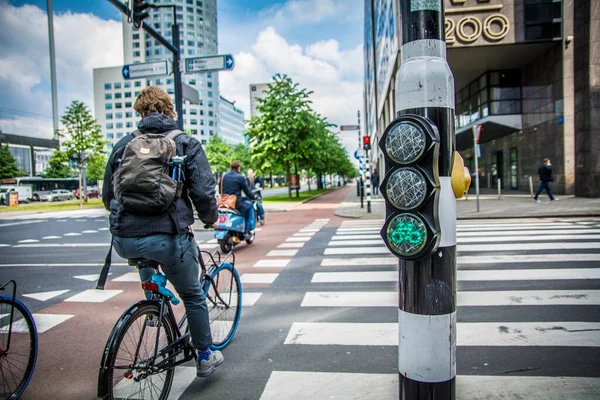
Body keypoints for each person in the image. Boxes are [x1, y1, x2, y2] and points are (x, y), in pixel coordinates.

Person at [102, 86, 223, 378]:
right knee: (193, 295)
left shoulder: (122, 145)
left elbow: (108, 196)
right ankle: (204, 356)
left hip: (124, 240)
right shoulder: (185, 143)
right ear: (169, 110)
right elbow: (204, 194)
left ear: (140, 112)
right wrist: (210, 219)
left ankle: (154, 310)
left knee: (147, 259)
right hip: (167, 238)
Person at [221, 160, 257, 237]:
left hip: (224, 202)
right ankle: (248, 229)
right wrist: (253, 197)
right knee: (250, 205)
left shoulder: (225, 176)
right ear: (238, 168)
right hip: (236, 202)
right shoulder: (240, 177)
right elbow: (247, 191)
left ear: (230, 167)